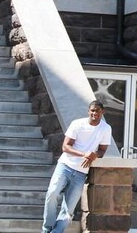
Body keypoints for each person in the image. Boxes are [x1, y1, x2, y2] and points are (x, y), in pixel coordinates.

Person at [41, 100, 116, 233]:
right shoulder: (77, 124)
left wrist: (94, 155)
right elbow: (65, 146)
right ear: (88, 111)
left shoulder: (105, 128)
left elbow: (102, 151)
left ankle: (56, 232)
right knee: (52, 193)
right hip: (65, 166)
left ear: (102, 112)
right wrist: (84, 154)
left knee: (69, 209)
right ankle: (47, 229)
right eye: (92, 110)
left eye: (98, 111)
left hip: (81, 172)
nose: (95, 113)